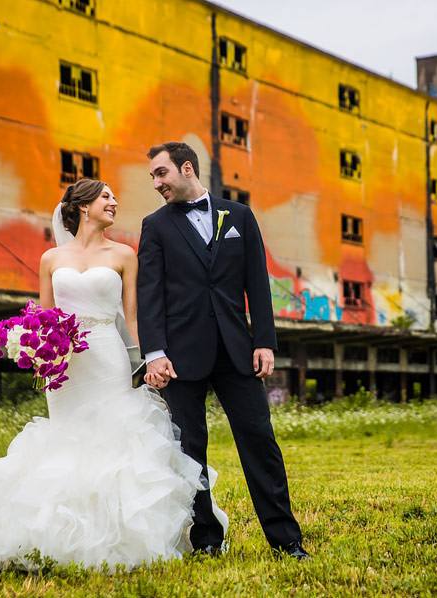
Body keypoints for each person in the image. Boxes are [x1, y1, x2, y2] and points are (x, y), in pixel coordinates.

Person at [0, 178, 226, 572]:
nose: (115, 201)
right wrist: (36, 349)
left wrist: (151, 359)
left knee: (112, 436)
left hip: (107, 355)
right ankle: (55, 533)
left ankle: (122, 534)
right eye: (106, 196)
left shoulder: (125, 254)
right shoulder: (50, 259)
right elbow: (42, 318)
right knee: (67, 438)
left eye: (114, 196)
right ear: (82, 205)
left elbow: (132, 317)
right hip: (65, 366)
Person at [138, 141, 307, 559]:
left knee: (260, 441)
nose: (156, 183)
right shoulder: (155, 226)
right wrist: (154, 352)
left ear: (187, 168)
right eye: (153, 177)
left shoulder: (241, 217)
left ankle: (286, 540)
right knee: (188, 450)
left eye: (162, 173)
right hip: (180, 356)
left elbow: (257, 284)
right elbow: (150, 294)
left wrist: (265, 341)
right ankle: (206, 541)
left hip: (237, 351)